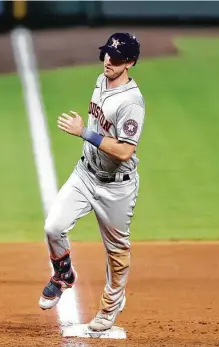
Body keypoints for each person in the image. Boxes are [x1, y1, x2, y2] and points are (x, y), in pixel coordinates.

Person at [38, 32, 145, 331]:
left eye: (118, 57)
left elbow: (125, 151)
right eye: (107, 54)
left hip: (117, 186)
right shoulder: (101, 81)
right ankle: (63, 274)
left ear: (131, 63)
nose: (109, 60)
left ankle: (110, 307)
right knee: (53, 226)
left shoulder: (132, 102)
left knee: (117, 252)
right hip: (85, 174)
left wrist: (84, 133)